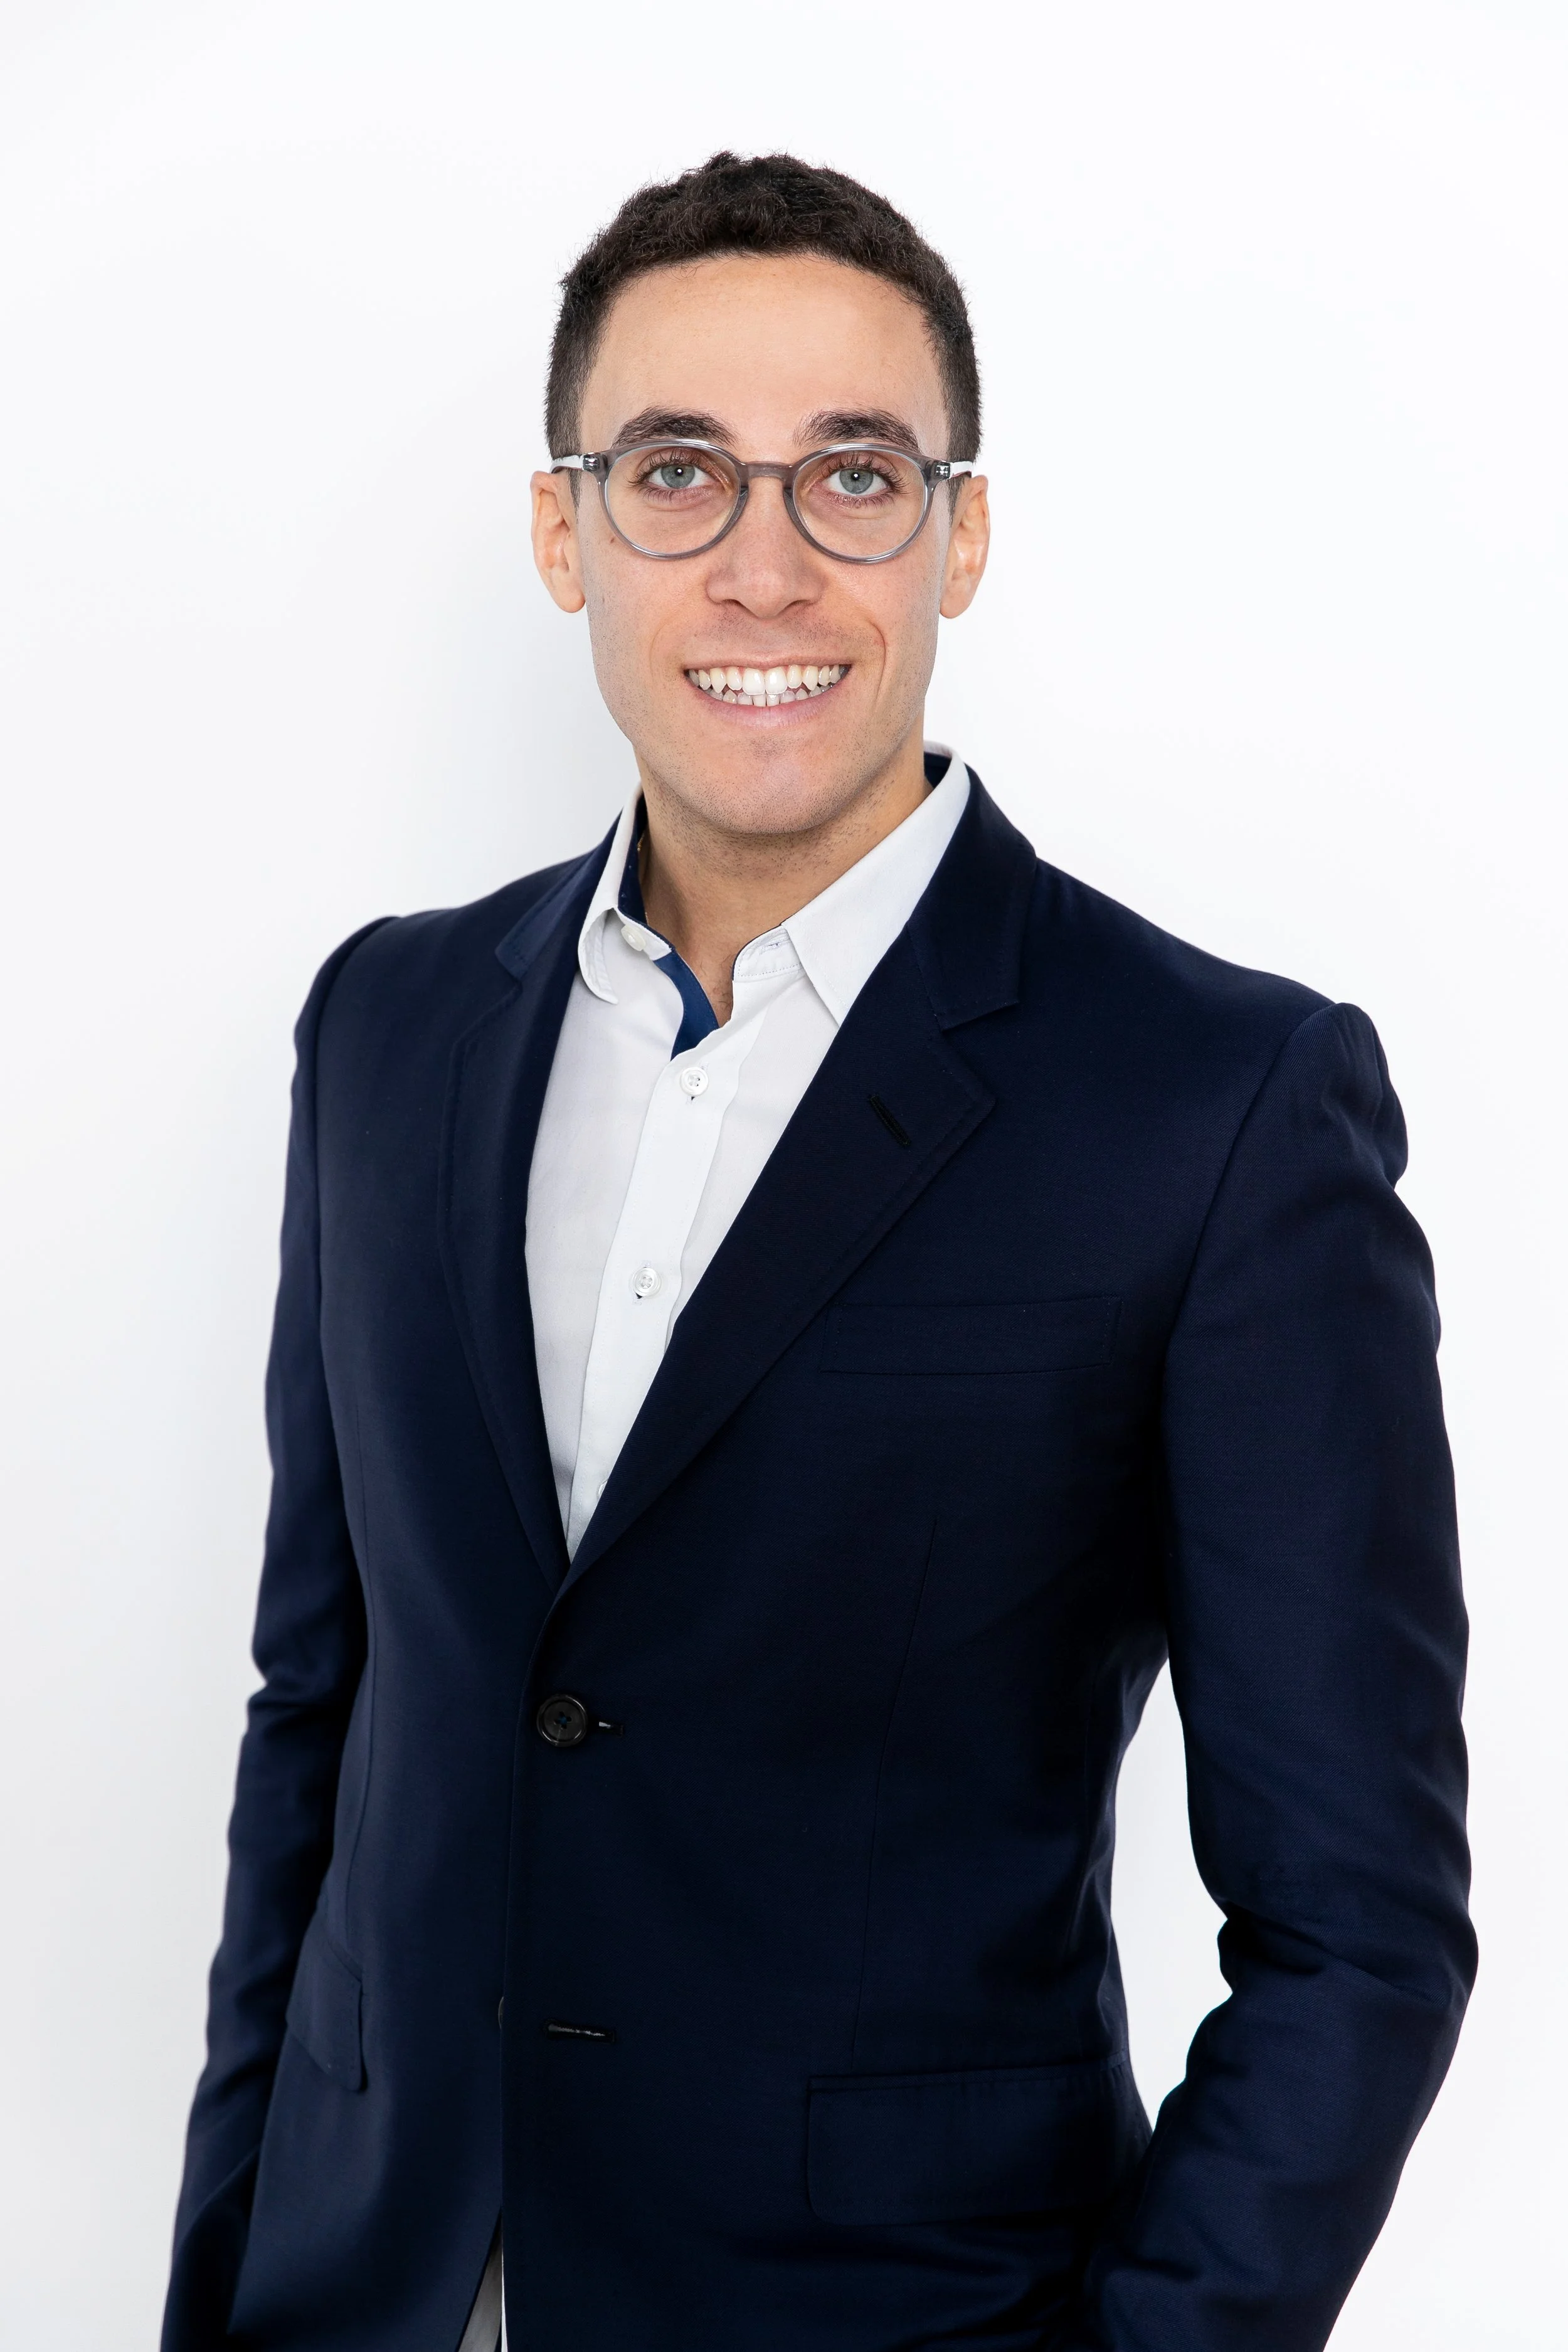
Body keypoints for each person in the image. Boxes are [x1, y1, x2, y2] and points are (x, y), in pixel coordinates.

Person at [163, 152, 1475, 2352]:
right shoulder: (385, 1029)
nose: (762, 562)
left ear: (956, 531)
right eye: (677, 470)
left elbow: (1358, 1930)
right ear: (564, 528)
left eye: (851, 473)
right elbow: (330, 1716)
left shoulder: (1213, 1105)